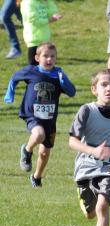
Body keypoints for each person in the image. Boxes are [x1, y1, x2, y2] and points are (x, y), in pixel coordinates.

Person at [4, 42, 76, 187]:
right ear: (37, 57)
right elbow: (14, 77)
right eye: (45, 56)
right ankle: (27, 150)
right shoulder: (31, 71)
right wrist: (9, 94)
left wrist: (64, 81)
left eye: (52, 56)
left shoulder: (58, 74)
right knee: (38, 135)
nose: (49, 59)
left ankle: (36, 177)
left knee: (44, 153)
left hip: (49, 119)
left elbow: (72, 92)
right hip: (32, 115)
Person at [69, 69, 110, 226]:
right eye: (104, 84)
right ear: (94, 89)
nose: (109, 88)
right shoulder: (86, 110)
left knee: (102, 206)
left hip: (109, 167)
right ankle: (85, 199)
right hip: (86, 166)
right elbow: (72, 142)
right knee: (90, 213)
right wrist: (94, 151)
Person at [20, 0, 62, 65]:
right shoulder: (28, 3)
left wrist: (49, 2)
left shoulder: (41, 2)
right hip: (34, 39)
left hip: (44, 39)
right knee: (33, 68)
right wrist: (48, 20)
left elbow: (52, 12)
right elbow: (33, 20)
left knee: (46, 67)